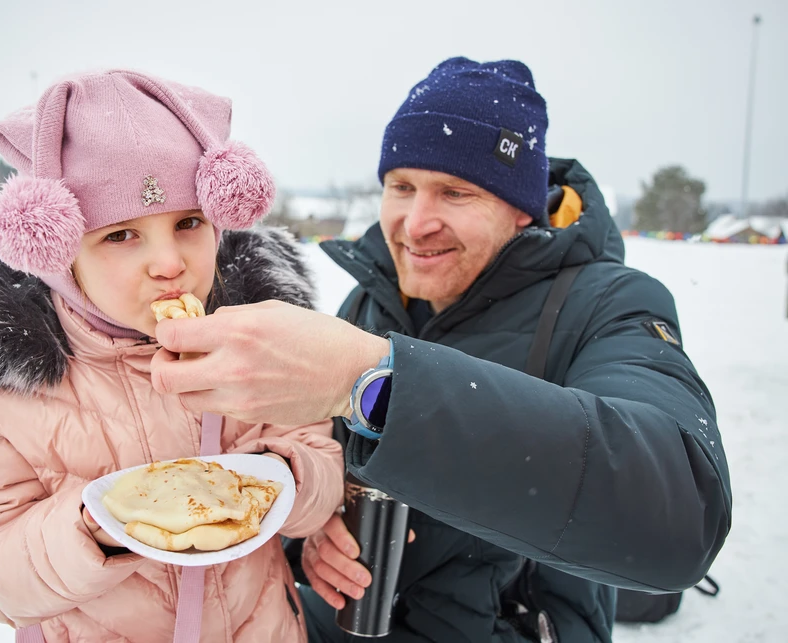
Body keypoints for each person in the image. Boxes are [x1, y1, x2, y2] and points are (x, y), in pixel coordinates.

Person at [149, 58, 731, 642]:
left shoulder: (608, 303)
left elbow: (682, 514)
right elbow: (316, 465)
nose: (415, 223)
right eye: (401, 187)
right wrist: (315, 537)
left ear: (522, 207)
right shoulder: (371, 301)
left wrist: (373, 381)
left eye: (455, 192)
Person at [0, 69, 344, 643]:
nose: (170, 261)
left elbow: (320, 458)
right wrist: (96, 530)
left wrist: (285, 477)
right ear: (60, 254)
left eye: (189, 223)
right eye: (121, 235)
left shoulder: (260, 345)